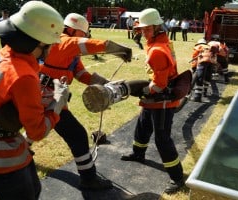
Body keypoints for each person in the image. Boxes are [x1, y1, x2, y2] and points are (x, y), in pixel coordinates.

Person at [38, 13, 132, 190]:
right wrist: (118, 49)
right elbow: (85, 45)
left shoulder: (69, 51)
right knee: (77, 135)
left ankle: (24, 149)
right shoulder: (63, 41)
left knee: (30, 124)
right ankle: (89, 179)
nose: (84, 37)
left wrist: (107, 85)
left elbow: (82, 75)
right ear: (72, 29)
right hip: (46, 97)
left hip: (46, 95)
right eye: (83, 33)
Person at [0, 1, 68, 200]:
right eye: (49, 45)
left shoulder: (3, 56)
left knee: (34, 187)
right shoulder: (24, 77)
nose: (51, 49)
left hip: (1, 141)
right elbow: (37, 131)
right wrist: (58, 102)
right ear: (37, 43)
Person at [120, 8, 186, 194]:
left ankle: (177, 177)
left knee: (162, 138)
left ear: (157, 27)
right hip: (157, 94)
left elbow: (160, 82)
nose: (143, 32)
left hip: (163, 97)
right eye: (142, 29)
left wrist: (145, 91)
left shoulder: (157, 49)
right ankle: (138, 153)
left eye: (147, 29)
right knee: (143, 124)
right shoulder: (159, 40)